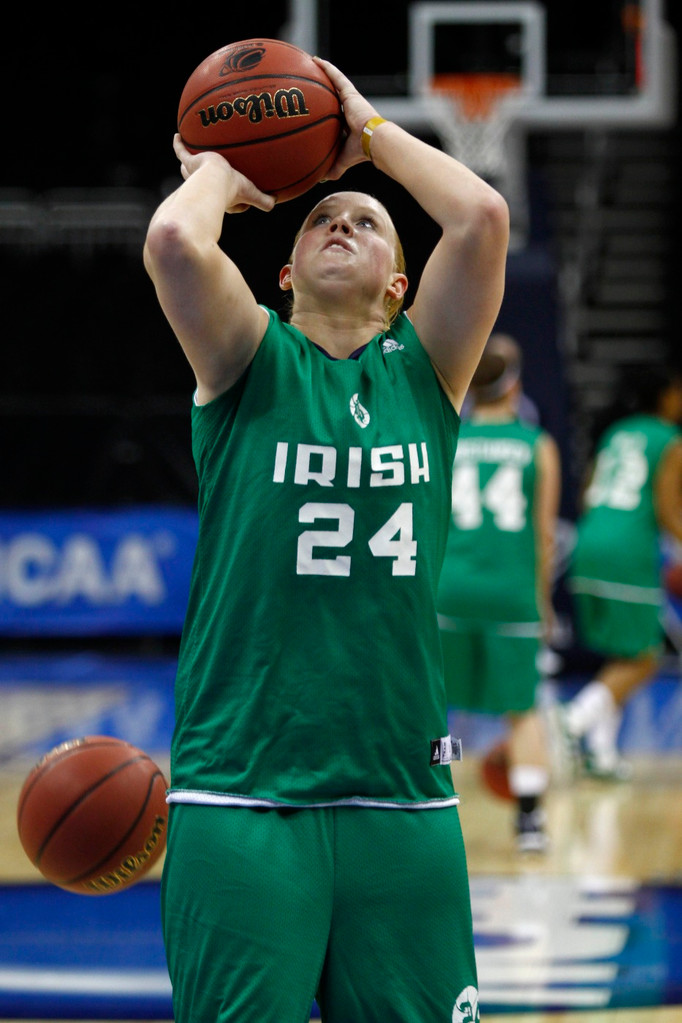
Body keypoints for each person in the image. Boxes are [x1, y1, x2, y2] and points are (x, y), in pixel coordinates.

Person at [143, 53, 509, 1023]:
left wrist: (367, 139)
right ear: (283, 272)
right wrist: (222, 168)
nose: (341, 219)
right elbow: (177, 248)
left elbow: (479, 220)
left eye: (365, 221)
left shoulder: (425, 374)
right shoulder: (248, 360)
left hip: (401, 794)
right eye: (320, 220)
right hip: (241, 792)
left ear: (399, 285)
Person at [436, 334, 561, 853]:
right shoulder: (538, 446)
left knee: (439, 706)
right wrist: (545, 603)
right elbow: (545, 536)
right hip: (510, 593)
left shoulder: (448, 438)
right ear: (516, 388)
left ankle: (435, 797)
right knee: (521, 707)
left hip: (450, 589)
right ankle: (529, 822)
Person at [560, 364, 682, 780]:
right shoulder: (670, 440)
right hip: (628, 552)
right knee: (645, 659)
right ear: (664, 397)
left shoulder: (616, 432)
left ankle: (601, 754)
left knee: (623, 656)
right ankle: (572, 719)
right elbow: (668, 510)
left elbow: (588, 491)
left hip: (590, 541)